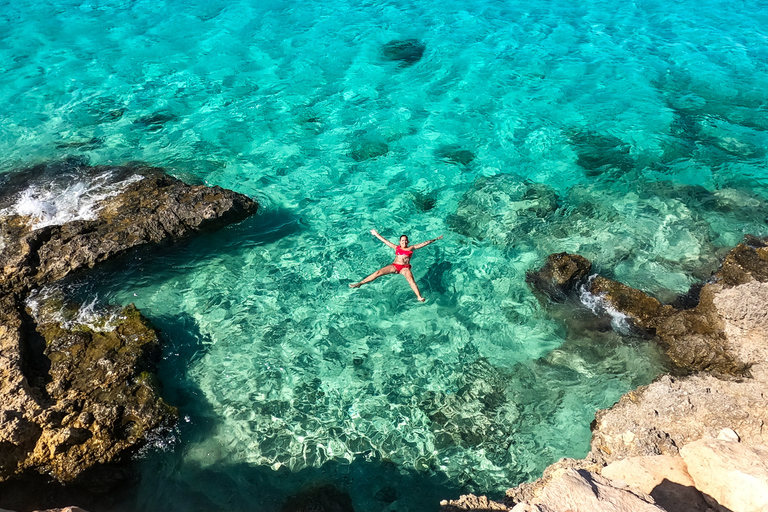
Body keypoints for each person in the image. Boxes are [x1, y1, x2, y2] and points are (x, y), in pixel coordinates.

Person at [349, 229, 443, 301]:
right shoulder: (396, 247)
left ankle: (419, 297)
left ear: (408, 242)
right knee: (378, 272)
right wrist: (376, 234)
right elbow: (385, 241)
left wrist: (436, 239)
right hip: (394, 266)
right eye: (402, 240)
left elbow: (424, 243)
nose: (404, 242)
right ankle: (359, 284)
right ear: (399, 241)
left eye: (406, 240)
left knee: (411, 280)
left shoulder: (411, 248)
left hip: (405, 268)